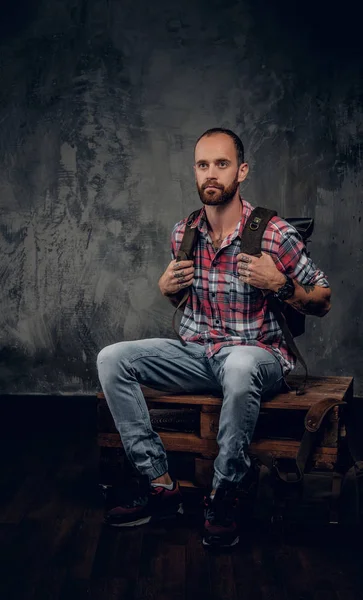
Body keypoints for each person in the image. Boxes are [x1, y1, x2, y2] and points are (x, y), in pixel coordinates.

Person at [97, 127, 331, 547]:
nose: (211, 174)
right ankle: (159, 485)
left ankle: (224, 494)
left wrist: (280, 283)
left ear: (241, 171)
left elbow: (323, 299)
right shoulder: (183, 233)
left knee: (240, 364)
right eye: (203, 165)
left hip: (258, 357)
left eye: (221, 164)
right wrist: (169, 292)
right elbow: (189, 304)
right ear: (194, 171)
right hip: (199, 354)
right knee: (112, 358)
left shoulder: (274, 233)